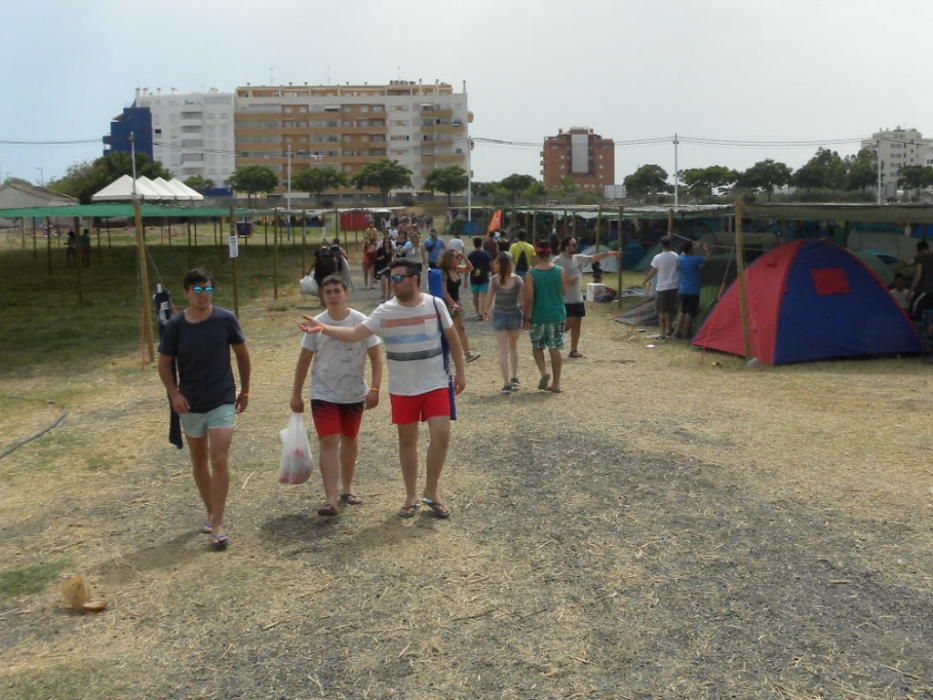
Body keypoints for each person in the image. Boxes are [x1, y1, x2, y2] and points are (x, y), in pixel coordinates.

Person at [298, 259, 466, 519]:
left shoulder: (435, 304)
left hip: (435, 383)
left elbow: (453, 338)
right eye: (392, 278)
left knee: (441, 435)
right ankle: (411, 497)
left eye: (399, 278)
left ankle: (432, 491)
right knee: (407, 441)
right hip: (403, 387)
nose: (393, 283)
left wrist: (461, 372)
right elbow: (354, 333)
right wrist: (323, 328)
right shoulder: (385, 311)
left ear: (414, 279)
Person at [157, 268, 251, 550]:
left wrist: (245, 390)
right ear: (186, 293)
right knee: (199, 460)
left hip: (221, 398)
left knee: (219, 458)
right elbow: (164, 364)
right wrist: (174, 394)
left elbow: (242, 355)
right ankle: (211, 511)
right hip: (191, 401)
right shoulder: (176, 326)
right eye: (197, 290)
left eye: (208, 289)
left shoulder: (225, 319)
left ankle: (219, 523)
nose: (203, 295)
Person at [291, 275, 383, 516]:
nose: (332, 296)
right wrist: (296, 394)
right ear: (322, 296)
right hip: (323, 392)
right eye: (328, 292)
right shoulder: (315, 324)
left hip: (353, 391)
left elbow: (375, 355)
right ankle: (330, 498)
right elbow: (303, 361)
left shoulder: (361, 322)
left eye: (336, 291)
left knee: (350, 439)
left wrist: (375, 388)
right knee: (329, 440)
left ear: (346, 294)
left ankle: (348, 486)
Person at [553, 237, 621, 358]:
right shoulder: (558, 260)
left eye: (575, 245)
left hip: (577, 297)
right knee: (570, 321)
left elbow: (594, 258)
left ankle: (573, 350)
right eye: (572, 245)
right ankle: (555, 335)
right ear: (565, 246)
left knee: (577, 322)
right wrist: (566, 280)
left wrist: (611, 253)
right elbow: (552, 275)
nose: (575, 247)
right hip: (565, 298)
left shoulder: (578, 258)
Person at [523, 242, 567, 393]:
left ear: (536, 254)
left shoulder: (531, 274)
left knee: (537, 346)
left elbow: (529, 298)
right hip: (557, 313)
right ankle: (556, 383)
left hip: (538, 315)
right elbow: (563, 290)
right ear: (550, 254)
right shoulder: (560, 270)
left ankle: (543, 372)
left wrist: (527, 318)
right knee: (554, 347)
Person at [484, 252, 524, 393]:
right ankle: (515, 377)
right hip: (514, 314)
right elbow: (522, 301)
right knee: (513, 348)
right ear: (512, 263)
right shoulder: (518, 280)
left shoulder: (494, 280)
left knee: (503, 350)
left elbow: (489, 297)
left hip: (499, 314)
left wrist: (485, 311)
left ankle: (506, 383)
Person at [439, 248, 480, 363]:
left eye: (458, 257)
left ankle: (466, 353)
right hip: (448, 303)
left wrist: (464, 257)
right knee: (449, 329)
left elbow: (470, 269)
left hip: (456, 301)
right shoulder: (444, 272)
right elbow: (444, 291)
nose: (458, 259)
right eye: (456, 257)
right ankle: (457, 352)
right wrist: (453, 304)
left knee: (460, 328)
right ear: (449, 259)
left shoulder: (456, 269)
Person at [642, 236, 679, 340]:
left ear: (661, 245)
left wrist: (645, 280)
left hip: (662, 287)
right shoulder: (676, 256)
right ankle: (668, 329)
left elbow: (653, 271)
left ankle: (662, 334)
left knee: (661, 311)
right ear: (670, 244)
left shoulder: (658, 257)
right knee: (669, 310)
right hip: (674, 286)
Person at [674, 241, 710, 339]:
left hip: (682, 290)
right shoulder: (695, 259)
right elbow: (708, 259)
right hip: (693, 290)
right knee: (689, 313)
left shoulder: (680, 259)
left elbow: (683, 253)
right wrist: (706, 250)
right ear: (691, 249)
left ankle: (677, 331)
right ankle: (685, 333)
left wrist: (694, 248)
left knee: (682, 311)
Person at [468, 236, 492, 320]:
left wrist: (465, 279)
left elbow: (468, 267)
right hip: (484, 277)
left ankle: (478, 312)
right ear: (481, 244)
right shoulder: (486, 254)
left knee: (475, 296)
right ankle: (483, 313)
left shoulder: (470, 255)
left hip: (473, 277)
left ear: (474, 244)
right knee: (483, 296)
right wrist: (490, 276)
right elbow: (489, 267)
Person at [909, 241, 933, 320]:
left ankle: (914, 330)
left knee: (914, 311)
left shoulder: (920, 258)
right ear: (927, 248)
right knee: (929, 316)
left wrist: (911, 291)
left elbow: (918, 275)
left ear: (918, 250)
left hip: (924, 291)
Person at [374, 236, 395, 302]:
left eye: (388, 242)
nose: (386, 243)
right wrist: (381, 257)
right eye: (385, 242)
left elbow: (393, 258)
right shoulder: (380, 250)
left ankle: (389, 297)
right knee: (383, 283)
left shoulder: (391, 250)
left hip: (389, 267)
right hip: (382, 267)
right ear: (383, 243)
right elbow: (376, 259)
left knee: (390, 282)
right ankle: (385, 297)